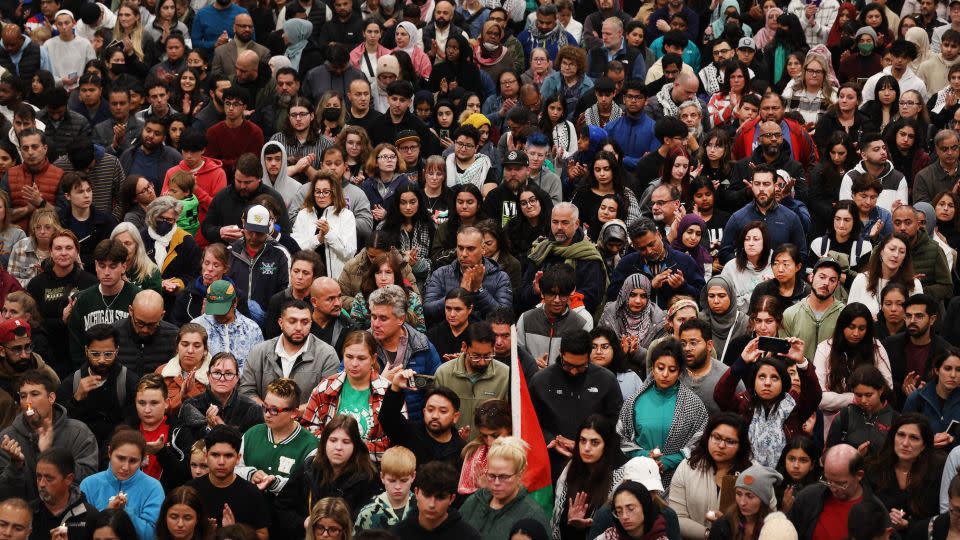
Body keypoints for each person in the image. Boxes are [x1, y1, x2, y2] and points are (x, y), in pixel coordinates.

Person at [529, 328, 623, 483]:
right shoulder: (540, 381)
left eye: (581, 367)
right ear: (560, 352)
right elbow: (532, 422)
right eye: (567, 365)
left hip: (594, 465)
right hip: (553, 462)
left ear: (589, 356)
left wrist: (587, 442)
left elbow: (616, 423)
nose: (573, 372)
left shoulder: (606, 380)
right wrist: (551, 440)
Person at [714, 334, 821, 468]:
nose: (768, 383)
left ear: (784, 383)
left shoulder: (794, 405)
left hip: (783, 477)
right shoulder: (744, 403)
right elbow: (720, 395)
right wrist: (742, 361)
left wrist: (802, 363)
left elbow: (814, 395)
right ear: (754, 381)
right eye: (762, 377)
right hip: (745, 474)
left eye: (775, 378)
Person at [617, 338, 708, 486]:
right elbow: (623, 439)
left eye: (672, 370)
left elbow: (700, 443)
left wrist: (668, 461)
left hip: (679, 480)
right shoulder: (635, 401)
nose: (665, 374)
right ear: (652, 367)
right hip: (638, 477)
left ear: (679, 372)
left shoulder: (694, 404)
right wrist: (646, 456)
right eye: (660, 368)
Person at [0, 370, 98, 501]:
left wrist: (50, 454)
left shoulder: (79, 432)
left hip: (66, 515)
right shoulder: (7, 438)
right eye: (23, 396)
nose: (28, 402)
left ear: (51, 398)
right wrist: (15, 466)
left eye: (35, 394)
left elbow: (87, 483)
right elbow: (4, 495)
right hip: (24, 516)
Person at [275, 414, 380, 534]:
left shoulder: (368, 477)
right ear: (324, 442)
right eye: (333, 440)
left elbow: (370, 523)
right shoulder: (309, 468)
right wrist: (303, 523)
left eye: (346, 442)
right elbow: (282, 506)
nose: (338, 447)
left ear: (355, 446)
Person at [667, 412, 755, 539]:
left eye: (730, 441)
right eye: (717, 437)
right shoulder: (688, 467)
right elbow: (677, 518)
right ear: (708, 437)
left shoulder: (752, 473)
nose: (721, 446)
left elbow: (763, 520)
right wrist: (711, 535)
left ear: (740, 446)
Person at [240, 299, 340, 407]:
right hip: (265, 420)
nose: (298, 328)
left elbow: (326, 397)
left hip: (306, 422)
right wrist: (270, 412)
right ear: (281, 323)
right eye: (292, 321)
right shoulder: (259, 352)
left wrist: (291, 414)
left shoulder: (327, 355)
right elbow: (246, 391)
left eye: (305, 322)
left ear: (311, 323)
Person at [814, 302, 894, 433]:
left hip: (870, 421)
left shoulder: (876, 348)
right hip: (833, 424)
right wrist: (856, 398)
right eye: (851, 327)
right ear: (842, 326)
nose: (856, 333)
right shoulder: (824, 348)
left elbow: (887, 389)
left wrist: (837, 399)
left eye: (862, 328)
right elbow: (819, 397)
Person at [58, 323, 139, 447]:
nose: (101, 360)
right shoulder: (71, 383)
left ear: (117, 351)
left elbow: (132, 424)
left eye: (108, 354)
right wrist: (76, 400)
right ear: (86, 351)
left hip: (116, 451)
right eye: (95, 354)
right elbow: (59, 426)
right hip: (80, 450)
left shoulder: (129, 381)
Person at [866, 413, 945, 539]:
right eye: (901, 435)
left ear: (924, 445)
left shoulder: (938, 470)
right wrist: (886, 518)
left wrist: (908, 524)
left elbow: (942, 517)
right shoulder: (874, 468)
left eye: (914, 438)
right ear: (893, 437)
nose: (905, 443)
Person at [551, 414, 630, 540]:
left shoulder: (621, 477)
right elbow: (557, 523)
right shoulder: (569, 469)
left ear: (606, 445)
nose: (586, 448)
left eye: (595, 442)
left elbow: (624, 526)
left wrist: (592, 525)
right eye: (582, 441)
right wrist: (570, 522)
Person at [78, 427, 164, 540]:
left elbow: (151, 535)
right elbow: (80, 531)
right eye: (120, 458)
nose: (125, 467)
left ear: (142, 460)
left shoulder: (153, 488)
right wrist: (106, 514)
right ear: (109, 453)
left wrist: (126, 513)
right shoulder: (88, 485)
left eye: (133, 461)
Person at [65, 238, 141, 366]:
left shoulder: (137, 298)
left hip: (128, 370)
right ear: (95, 266)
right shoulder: (84, 299)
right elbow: (76, 345)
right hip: (91, 370)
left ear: (123, 267)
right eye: (102, 265)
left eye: (112, 266)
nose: (106, 272)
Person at [186, 425, 269, 538]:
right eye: (215, 455)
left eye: (228, 456)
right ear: (206, 456)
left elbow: (263, 535)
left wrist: (234, 533)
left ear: (238, 458)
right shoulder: (190, 491)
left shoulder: (252, 493)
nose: (221, 462)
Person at [459, 436, 549, 537]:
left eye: (504, 477)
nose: (496, 482)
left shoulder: (533, 514)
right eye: (492, 475)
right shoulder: (475, 501)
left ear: (520, 473)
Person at [378, 367, 465, 469]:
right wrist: (396, 387)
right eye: (430, 409)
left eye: (443, 411)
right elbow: (388, 417)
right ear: (424, 412)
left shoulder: (462, 450)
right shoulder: (409, 433)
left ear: (455, 417)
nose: (435, 416)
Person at [424, 226, 512, 324]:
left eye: (470, 249)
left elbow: (504, 317)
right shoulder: (440, 274)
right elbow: (428, 312)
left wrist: (479, 290)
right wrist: (458, 294)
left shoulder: (500, 277)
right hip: (449, 336)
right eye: (460, 248)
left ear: (483, 249)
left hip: (484, 337)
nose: (464, 254)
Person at [433, 321, 508, 430]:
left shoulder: (505, 375)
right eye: (476, 356)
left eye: (487, 356)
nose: (482, 362)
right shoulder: (443, 374)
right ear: (464, 347)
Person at [516, 263, 592, 367]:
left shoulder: (581, 324)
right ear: (542, 293)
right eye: (551, 294)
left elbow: (585, 361)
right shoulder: (526, 319)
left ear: (570, 294)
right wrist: (532, 364)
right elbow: (517, 355)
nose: (557, 300)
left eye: (562, 295)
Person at [391, 460, 481, 539]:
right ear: (416, 492)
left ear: (451, 499)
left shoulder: (468, 536)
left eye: (440, 497)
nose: (432, 504)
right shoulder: (397, 534)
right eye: (427, 495)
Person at [180, 352, 262, 436]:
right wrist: (208, 429)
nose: (222, 379)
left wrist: (223, 429)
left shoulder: (252, 409)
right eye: (217, 373)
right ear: (208, 375)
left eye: (228, 374)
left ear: (237, 378)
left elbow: (254, 444)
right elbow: (185, 443)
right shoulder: (191, 405)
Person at [782, 257, 845, 360]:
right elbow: (783, 356)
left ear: (837, 284)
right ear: (811, 277)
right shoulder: (790, 314)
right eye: (822, 277)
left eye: (832, 280)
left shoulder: (843, 314)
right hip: (798, 374)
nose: (826, 283)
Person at [0, 318, 59, 429]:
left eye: (28, 347)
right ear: (2, 351)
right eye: (16, 349)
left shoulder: (45, 372)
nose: (24, 355)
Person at [30, 447, 98, 540]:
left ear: (68, 479)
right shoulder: (29, 513)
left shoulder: (90, 517)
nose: (41, 484)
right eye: (38, 477)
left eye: (49, 478)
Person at [113, 290, 179, 377]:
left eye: (152, 325)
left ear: (162, 315)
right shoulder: (113, 333)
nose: (145, 330)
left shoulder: (173, 336)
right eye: (140, 323)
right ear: (130, 311)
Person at [354, 445, 417, 532]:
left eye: (404, 480)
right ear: (382, 477)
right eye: (392, 481)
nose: (397, 487)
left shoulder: (423, 509)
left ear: (413, 476)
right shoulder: (367, 514)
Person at [263, 251, 323, 340]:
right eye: (296, 271)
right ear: (290, 272)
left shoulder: (319, 302)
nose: (299, 277)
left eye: (305, 273)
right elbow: (271, 336)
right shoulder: (277, 300)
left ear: (314, 277)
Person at [155, 323, 209, 415]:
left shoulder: (216, 374)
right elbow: (155, 408)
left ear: (205, 350)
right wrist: (182, 395)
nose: (190, 350)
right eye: (185, 345)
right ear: (177, 347)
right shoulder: (162, 372)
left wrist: (191, 391)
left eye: (197, 346)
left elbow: (214, 410)